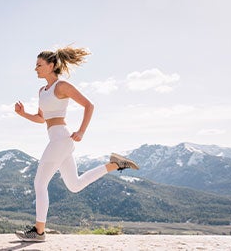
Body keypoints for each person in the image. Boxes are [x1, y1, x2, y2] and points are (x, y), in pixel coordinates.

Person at [14, 46, 139, 242]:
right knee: (74, 185)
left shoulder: (61, 86)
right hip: (57, 139)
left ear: (51, 65)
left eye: (39, 65)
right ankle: (114, 164)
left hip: (61, 139)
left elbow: (89, 105)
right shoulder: (42, 91)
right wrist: (23, 114)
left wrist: (81, 131)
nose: (35, 68)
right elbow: (41, 118)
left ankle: (39, 232)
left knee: (39, 183)